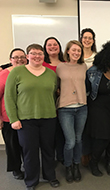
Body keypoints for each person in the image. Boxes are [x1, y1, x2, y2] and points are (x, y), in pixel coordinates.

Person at [5, 44, 59, 190]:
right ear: (27, 56)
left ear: (44, 56)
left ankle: (50, 176)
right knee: (30, 152)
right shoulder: (16, 72)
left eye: (40, 53)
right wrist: (13, 119)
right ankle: (31, 180)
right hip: (25, 120)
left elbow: (53, 93)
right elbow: (9, 97)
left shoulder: (51, 74)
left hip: (48, 118)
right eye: (33, 53)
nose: (37, 56)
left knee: (48, 150)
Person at [86, 40, 110, 177]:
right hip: (97, 109)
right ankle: (94, 162)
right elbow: (86, 90)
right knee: (102, 137)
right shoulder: (93, 71)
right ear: (106, 57)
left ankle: (109, 162)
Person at [56, 40, 87, 183]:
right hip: (65, 109)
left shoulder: (83, 66)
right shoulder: (60, 67)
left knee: (79, 139)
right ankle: (68, 166)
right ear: (67, 51)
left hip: (81, 107)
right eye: (73, 50)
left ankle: (76, 166)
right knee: (70, 141)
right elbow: (55, 86)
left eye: (79, 51)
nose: (76, 53)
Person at [0, 48, 27, 180]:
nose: (19, 60)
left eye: (22, 57)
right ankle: (15, 168)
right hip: (8, 116)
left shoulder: (28, 72)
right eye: (16, 57)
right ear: (10, 60)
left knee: (25, 144)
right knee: (12, 145)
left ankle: (28, 166)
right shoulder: (3, 74)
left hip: (26, 116)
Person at [43, 37, 65, 164]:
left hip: (64, 102)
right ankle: (50, 159)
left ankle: (61, 157)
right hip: (48, 103)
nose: (52, 47)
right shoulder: (42, 64)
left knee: (61, 132)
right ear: (45, 48)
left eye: (55, 44)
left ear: (59, 46)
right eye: (49, 45)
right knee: (49, 134)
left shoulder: (65, 63)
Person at [79, 28, 97, 167]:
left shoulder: (97, 57)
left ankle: (92, 152)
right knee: (82, 127)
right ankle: (84, 153)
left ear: (93, 40)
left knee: (91, 125)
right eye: (85, 37)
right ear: (81, 39)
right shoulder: (76, 56)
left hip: (92, 97)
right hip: (77, 97)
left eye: (90, 38)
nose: (87, 40)